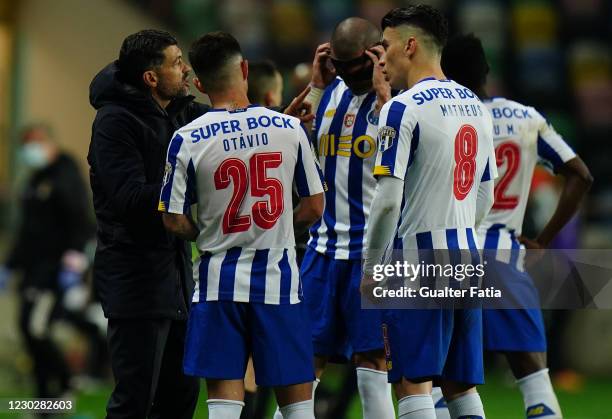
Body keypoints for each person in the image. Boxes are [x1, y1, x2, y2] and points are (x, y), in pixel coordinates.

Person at [159, 31, 325, 419]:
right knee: (298, 406)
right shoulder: (288, 129)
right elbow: (315, 207)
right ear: (245, 69)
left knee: (224, 407)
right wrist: (282, 226)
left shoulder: (186, 139)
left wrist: (206, 234)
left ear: (199, 84)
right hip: (278, 281)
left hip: (218, 283)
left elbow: (171, 218)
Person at [441, 33, 593, 419]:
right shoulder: (525, 117)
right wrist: (543, 240)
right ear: (487, 72)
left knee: (441, 386)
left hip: (447, 256)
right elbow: (580, 175)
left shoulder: (440, 116)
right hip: (505, 256)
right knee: (536, 384)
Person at [362, 6, 497, 418]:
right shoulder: (475, 104)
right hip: (466, 256)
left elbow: (386, 201)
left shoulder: (402, 108)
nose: (381, 58)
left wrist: (371, 268)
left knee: (412, 382)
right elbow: (485, 195)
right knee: (459, 385)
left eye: (385, 46)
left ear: (410, 45)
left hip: (416, 260)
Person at [88, 29, 207, 419]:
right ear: (150, 78)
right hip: (135, 282)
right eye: (176, 62)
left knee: (182, 398)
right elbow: (130, 198)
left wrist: (285, 118)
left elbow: (237, 133)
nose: (185, 69)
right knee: (134, 402)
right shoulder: (113, 122)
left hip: (176, 281)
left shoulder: (181, 112)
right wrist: (191, 185)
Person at [283, 17, 395, 419]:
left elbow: (404, 160)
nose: (350, 75)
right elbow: (296, 152)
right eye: (341, 65)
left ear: (376, 55)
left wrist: (385, 94)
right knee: (303, 361)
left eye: (358, 66)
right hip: (323, 249)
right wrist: (315, 85)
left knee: (372, 364)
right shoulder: (329, 95)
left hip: (373, 255)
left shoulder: (399, 102)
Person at [0, 123, 93, 398]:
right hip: (33, 269)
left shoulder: (65, 175)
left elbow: (80, 221)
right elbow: (28, 230)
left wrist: (75, 260)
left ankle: (65, 385)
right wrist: (9, 265)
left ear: (47, 142)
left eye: (34, 142)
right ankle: (45, 399)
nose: (29, 150)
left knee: (36, 328)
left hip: (54, 270)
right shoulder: (34, 180)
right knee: (27, 330)